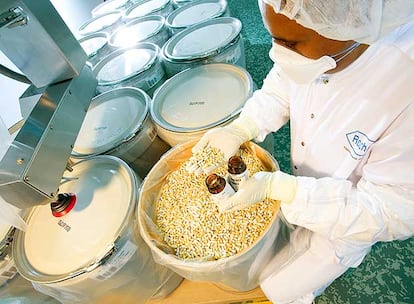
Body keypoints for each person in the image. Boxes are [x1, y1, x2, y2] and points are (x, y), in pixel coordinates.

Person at [188, 0, 414, 303]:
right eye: (273, 37)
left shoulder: (403, 85)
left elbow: (395, 210)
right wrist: (244, 126)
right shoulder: (314, 47)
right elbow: (283, 82)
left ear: (349, 28)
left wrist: (293, 193)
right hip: (302, 179)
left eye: (289, 43)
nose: (277, 52)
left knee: (283, 287)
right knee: (280, 248)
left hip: (348, 226)